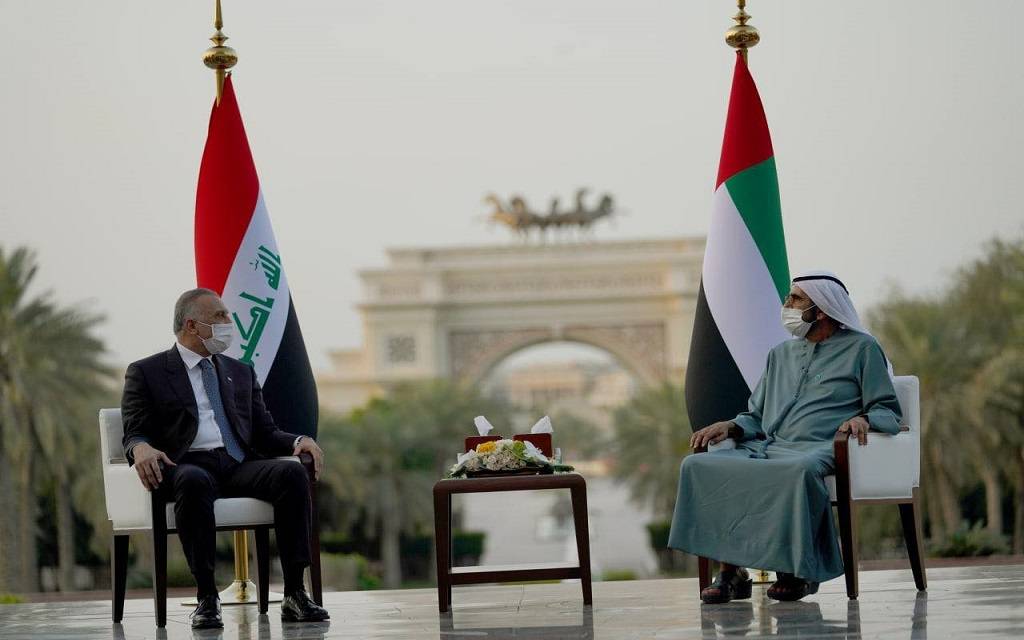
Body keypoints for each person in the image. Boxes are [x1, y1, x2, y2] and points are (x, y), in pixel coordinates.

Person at [668, 271, 902, 603]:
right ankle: (732, 573)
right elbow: (756, 416)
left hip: (819, 447)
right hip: (769, 445)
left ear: (821, 310)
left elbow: (887, 409)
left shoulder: (862, 348)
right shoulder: (780, 354)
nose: (787, 305)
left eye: (795, 299)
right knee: (698, 465)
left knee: (796, 470)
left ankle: (795, 572)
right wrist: (731, 427)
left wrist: (863, 418)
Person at [121, 288, 329, 628]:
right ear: (192, 325)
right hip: (186, 465)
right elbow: (134, 430)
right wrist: (140, 447)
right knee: (193, 481)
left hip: (235, 464)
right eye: (219, 316)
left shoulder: (240, 371)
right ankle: (207, 597)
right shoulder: (147, 372)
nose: (229, 323)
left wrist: (299, 440)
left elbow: (265, 432)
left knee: (291, 474)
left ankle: (294, 593)